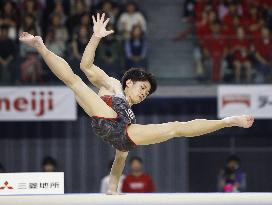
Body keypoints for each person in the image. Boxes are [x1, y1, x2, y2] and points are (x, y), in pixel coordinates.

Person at [19, 13, 254, 194]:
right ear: (129, 82)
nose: (144, 94)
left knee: (175, 128)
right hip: (104, 114)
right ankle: (41, 46)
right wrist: (95, 37)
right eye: (143, 88)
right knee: (76, 83)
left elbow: (120, 158)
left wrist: (112, 190)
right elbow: (86, 65)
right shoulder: (113, 85)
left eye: (147, 93)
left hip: (123, 133)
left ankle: (227, 121)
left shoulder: (130, 115)